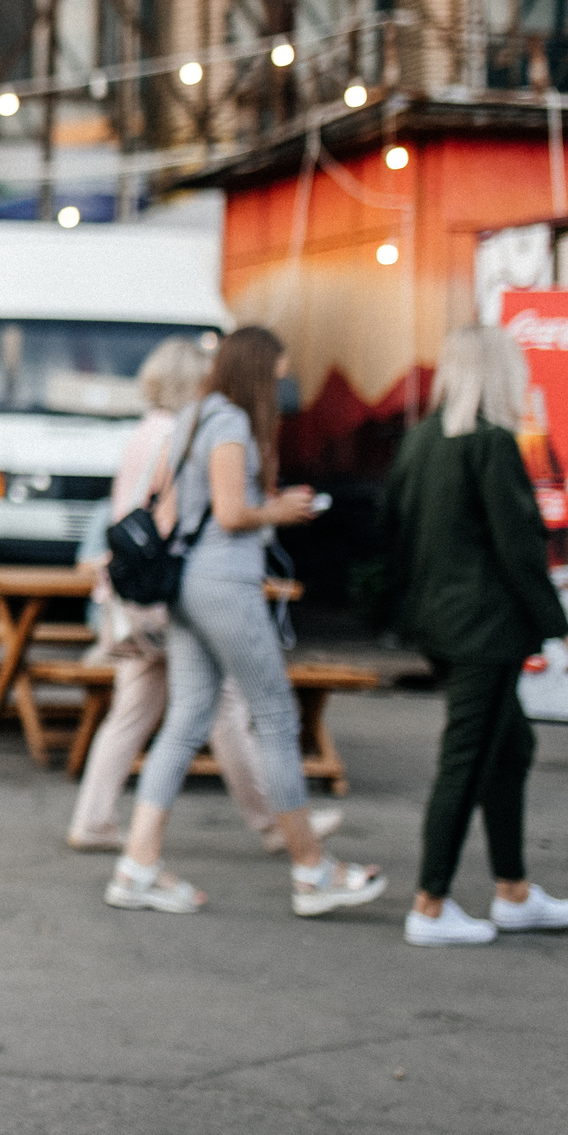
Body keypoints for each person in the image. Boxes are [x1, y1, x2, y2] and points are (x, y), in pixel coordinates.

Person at [107, 326, 384, 919]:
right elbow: (232, 514)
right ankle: (312, 869)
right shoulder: (231, 423)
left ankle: (137, 865)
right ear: (259, 370)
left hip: (186, 583)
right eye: (279, 373)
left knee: (185, 720)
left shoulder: (193, 417)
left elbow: (176, 504)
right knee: (277, 717)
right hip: (224, 584)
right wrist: (280, 509)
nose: (283, 385)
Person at [67, 338, 336, 855]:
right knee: (227, 708)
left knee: (140, 713)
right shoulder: (186, 431)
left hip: (139, 588)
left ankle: (97, 821)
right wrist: (269, 509)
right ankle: (275, 823)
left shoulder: (146, 431)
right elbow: (203, 513)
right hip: (175, 587)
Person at [380, 326, 568, 947]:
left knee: (509, 748)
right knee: (468, 761)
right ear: (501, 375)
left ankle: (513, 890)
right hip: (486, 630)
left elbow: (393, 531)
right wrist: (562, 630)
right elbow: (518, 547)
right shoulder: (492, 444)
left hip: (438, 624)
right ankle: (431, 904)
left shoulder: (421, 440)